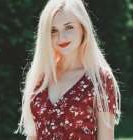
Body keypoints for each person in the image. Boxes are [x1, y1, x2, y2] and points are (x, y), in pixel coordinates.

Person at [15, 0, 121, 139]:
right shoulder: (41, 78)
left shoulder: (100, 80)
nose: (61, 37)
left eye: (69, 27)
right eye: (53, 30)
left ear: (83, 28)